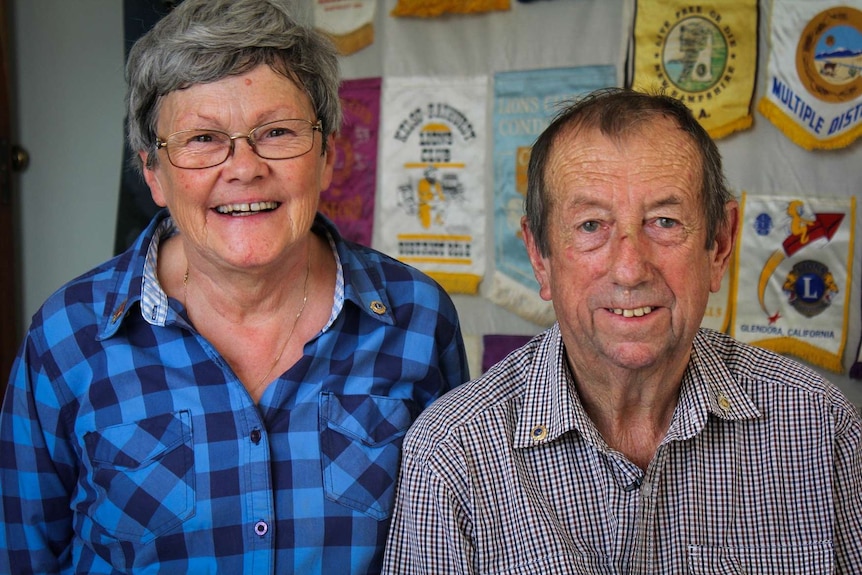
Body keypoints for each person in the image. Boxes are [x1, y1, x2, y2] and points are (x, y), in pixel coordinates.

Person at [0, 1, 470, 573]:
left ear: (325, 157)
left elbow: (452, 545)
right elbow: (23, 554)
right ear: (153, 172)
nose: (243, 167)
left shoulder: (417, 318)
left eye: (275, 132)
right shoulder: (68, 334)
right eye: (202, 139)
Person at [382, 88, 862, 573]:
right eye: (591, 225)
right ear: (539, 256)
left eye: (665, 221)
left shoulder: (821, 428)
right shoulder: (452, 457)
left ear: (719, 246)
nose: (630, 269)